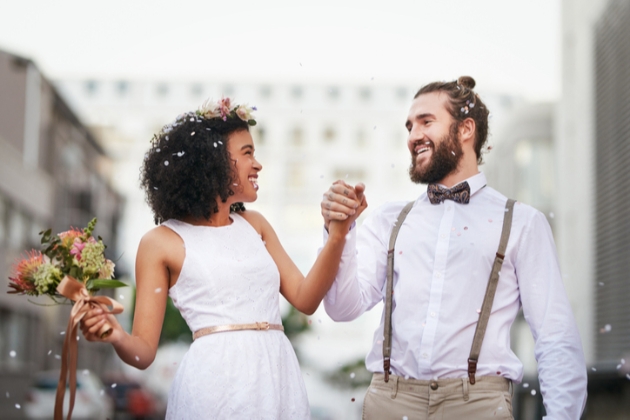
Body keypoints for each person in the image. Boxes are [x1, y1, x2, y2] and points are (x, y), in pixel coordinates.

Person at [79, 98, 366, 419]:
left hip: (278, 376)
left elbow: (306, 299)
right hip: (214, 383)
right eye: (247, 153)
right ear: (211, 161)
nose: (257, 164)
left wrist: (338, 234)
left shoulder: (255, 225)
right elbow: (143, 354)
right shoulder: (160, 242)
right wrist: (116, 334)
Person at [320, 76, 587, 419]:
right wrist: (339, 233)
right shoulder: (389, 220)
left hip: (478, 404)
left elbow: (555, 335)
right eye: (409, 126)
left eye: (426, 122)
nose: (413, 136)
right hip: (391, 400)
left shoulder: (522, 222)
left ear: (466, 129)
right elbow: (342, 308)